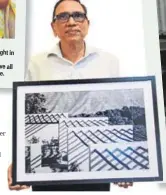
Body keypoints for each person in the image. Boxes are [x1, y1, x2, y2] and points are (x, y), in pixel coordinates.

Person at [8, 0, 133, 191]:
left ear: (87, 24)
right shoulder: (37, 63)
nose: (72, 22)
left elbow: (117, 116)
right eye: (63, 17)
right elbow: (28, 116)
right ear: (54, 27)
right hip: (48, 164)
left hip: (96, 163)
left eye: (78, 16)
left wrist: (123, 161)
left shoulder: (108, 61)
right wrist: (19, 159)